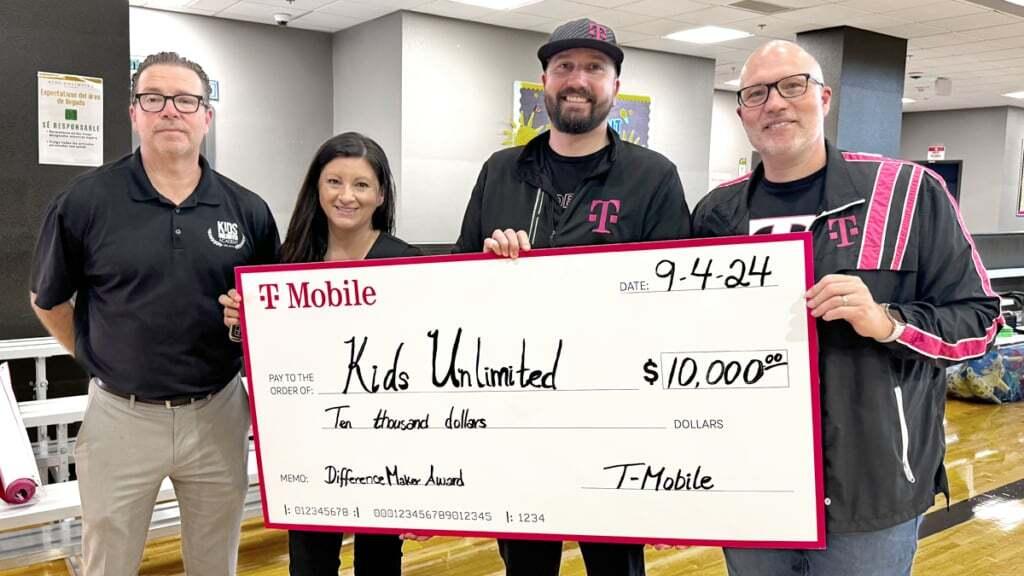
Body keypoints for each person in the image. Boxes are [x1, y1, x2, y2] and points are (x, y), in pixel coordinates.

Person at [692, 40, 1003, 575]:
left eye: (794, 86)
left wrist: (888, 321)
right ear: (741, 110)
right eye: (756, 93)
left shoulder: (907, 193)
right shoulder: (717, 212)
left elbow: (980, 320)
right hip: (750, 479)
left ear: (825, 97)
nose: (776, 103)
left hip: (870, 485)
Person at [454, 17, 691, 576]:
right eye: (564, 67)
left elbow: (676, 300)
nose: (577, 79)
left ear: (614, 85)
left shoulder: (653, 177)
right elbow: (458, 284)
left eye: (594, 68)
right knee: (525, 565)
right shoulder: (500, 172)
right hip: (517, 411)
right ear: (545, 81)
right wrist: (492, 268)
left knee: (615, 566)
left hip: (612, 417)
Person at [29, 52, 280, 575]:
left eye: (186, 100)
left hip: (217, 413)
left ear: (206, 116)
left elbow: (271, 311)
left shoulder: (248, 210)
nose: (171, 111)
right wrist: (97, 359)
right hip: (121, 416)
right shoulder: (85, 201)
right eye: (154, 99)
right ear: (134, 113)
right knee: (109, 562)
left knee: (215, 562)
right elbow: (47, 300)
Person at [220, 132, 415, 575]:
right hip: (308, 440)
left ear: (381, 194)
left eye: (361, 185)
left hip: (383, 440)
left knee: (380, 561)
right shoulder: (289, 263)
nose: (347, 195)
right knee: (308, 561)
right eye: (334, 182)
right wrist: (241, 322)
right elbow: (268, 359)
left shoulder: (404, 262)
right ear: (316, 188)